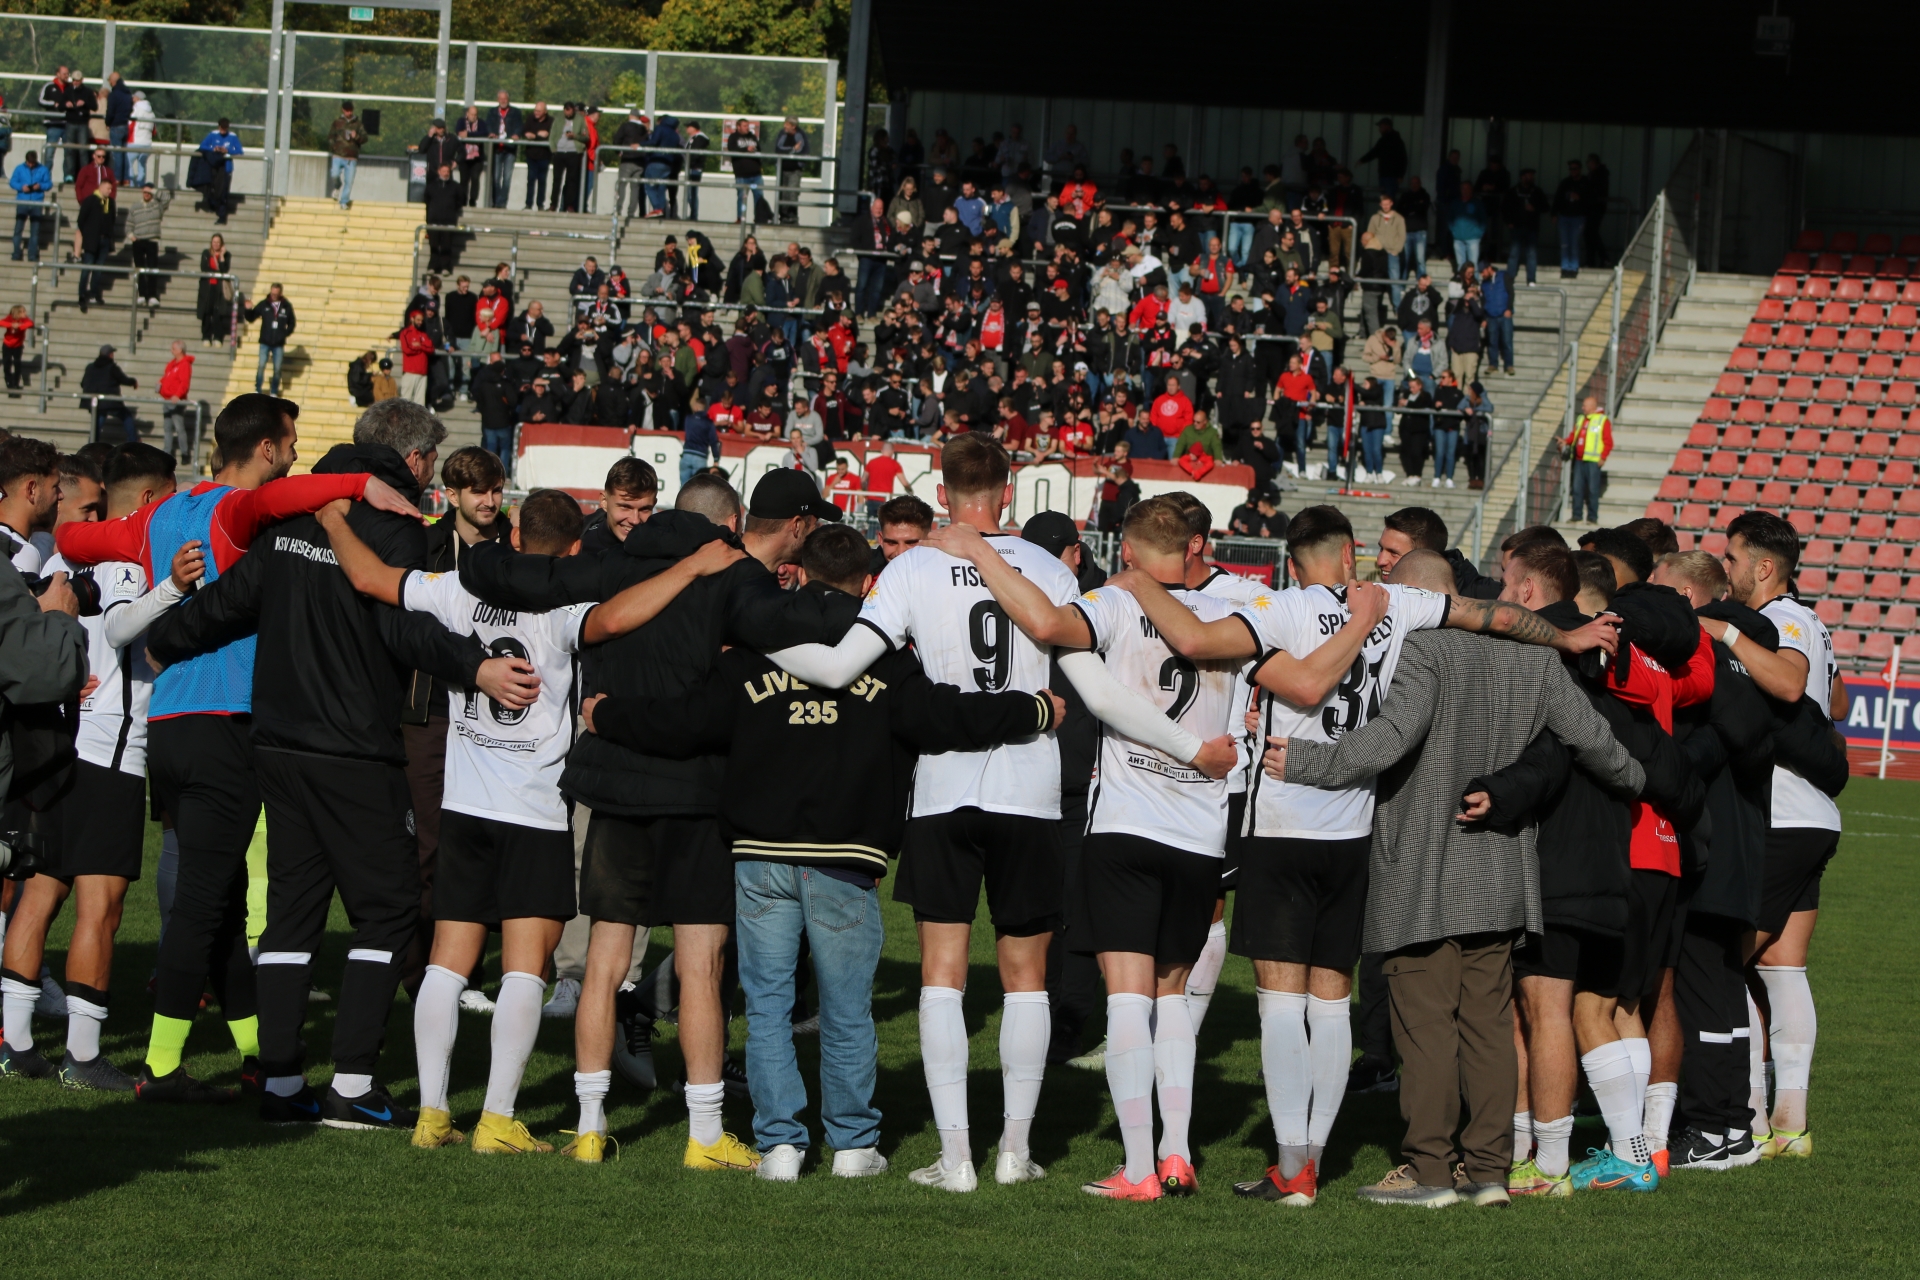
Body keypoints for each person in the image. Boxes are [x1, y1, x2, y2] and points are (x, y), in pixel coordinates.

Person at [768, 436, 1231, 1193]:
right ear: (1007, 493)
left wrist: (756, 641)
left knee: (942, 976)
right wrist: (1191, 749)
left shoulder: (911, 567)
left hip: (944, 790)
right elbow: (1099, 690)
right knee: (1025, 977)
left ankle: (956, 1159)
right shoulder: (1049, 569)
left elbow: (840, 665)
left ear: (942, 494)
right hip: (1032, 792)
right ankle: (1015, 1151)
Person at [585, 521, 1062, 1180]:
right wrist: (1033, 711)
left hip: (760, 853)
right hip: (845, 856)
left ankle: (781, 1145)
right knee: (845, 1010)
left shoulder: (754, 648)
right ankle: (853, 1145)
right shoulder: (886, 657)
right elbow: (945, 716)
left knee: (768, 1008)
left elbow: (686, 721)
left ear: (799, 574)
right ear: (868, 584)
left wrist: (606, 714)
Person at [145, 400, 541, 1129]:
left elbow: (230, 600)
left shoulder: (295, 514)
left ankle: (282, 1082)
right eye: (429, 462)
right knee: (388, 910)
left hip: (278, 745)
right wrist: (476, 666)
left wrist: (166, 639)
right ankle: (353, 1083)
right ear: (414, 460)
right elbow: (403, 625)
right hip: (354, 747)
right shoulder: (395, 527)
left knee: (293, 915)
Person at [54, 395, 425, 1102]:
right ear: (266, 449)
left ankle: (257, 1054)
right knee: (204, 900)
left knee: (220, 899)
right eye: (290, 443)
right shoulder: (234, 511)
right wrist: (357, 484)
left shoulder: (162, 513)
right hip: (225, 719)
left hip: (169, 722)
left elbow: (74, 539)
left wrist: (63, 543)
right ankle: (161, 1069)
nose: (296, 455)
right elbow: (281, 499)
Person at [1262, 548, 1639, 1208]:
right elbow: (1592, 738)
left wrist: (1305, 762)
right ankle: (1488, 1170)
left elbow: (1390, 739)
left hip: (1422, 870)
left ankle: (1430, 1169)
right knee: (1489, 1025)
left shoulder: (1425, 649)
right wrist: (1636, 779)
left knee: (1426, 1025)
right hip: (1500, 870)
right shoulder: (1536, 659)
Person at [927, 500, 1248, 1202]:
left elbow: (1044, 624)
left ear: (1127, 550)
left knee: (1128, 994)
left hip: (1128, 823)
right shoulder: (1237, 608)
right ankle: (1176, 1154)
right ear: (1195, 546)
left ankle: (1137, 1170)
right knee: (1173, 992)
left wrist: (978, 550)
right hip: (1201, 828)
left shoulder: (1114, 600)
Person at [0, 444, 189, 1089]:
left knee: (40, 891)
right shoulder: (125, 561)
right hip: (109, 747)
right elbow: (117, 630)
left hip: (54, 744)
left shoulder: (57, 560)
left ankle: (17, 1043)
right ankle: (82, 1055)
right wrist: (174, 589)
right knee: (101, 904)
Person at [1699, 512, 1840, 1166]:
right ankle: (1790, 1123)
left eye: (1731, 558)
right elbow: (1834, 703)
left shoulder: (1784, 619)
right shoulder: (1809, 622)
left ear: (1762, 566)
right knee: (1782, 967)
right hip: (1810, 816)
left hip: (1781, 815)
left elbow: (1787, 682)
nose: (1724, 568)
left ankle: (1747, 1117)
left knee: (1724, 963)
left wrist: (1725, 632)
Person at [1564, 395, 1612, 524]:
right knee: (1577, 488)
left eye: (1585, 405)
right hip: (1579, 460)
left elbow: (1608, 442)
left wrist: (1603, 457)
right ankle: (1576, 515)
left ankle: (1592, 517)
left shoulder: (1602, 420)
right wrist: (1565, 441)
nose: (1582, 408)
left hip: (1593, 461)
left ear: (1592, 407)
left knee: (1592, 489)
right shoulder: (1581, 419)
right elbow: (1574, 435)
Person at [126, 181, 173, 305]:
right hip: (138, 241)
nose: (146, 194)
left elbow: (167, 197)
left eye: (149, 192)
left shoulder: (158, 206)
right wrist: (131, 236)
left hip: (152, 241)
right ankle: (141, 294)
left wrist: (153, 190)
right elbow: (129, 224)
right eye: (144, 192)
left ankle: (152, 295)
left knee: (152, 268)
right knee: (139, 268)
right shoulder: (135, 206)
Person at [246, 283, 296, 397]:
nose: (273, 296)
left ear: (280, 293)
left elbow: (292, 323)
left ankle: (274, 391)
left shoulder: (286, 306)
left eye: (276, 294)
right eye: (272, 293)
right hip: (265, 342)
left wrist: (284, 334)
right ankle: (258, 389)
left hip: (278, 344)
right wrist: (248, 310)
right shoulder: (264, 304)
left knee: (277, 368)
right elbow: (251, 317)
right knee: (261, 365)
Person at [81, 345, 136, 443]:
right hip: (109, 402)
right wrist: (133, 382)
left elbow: (83, 383)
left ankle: (91, 445)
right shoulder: (112, 367)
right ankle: (133, 441)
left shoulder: (90, 367)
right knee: (126, 416)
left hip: (95, 402)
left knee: (98, 422)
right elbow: (123, 379)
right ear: (110, 355)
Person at [198, 118, 243, 225]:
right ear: (219, 127)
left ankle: (222, 216)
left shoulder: (232, 136)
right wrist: (214, 149)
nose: (223, 131)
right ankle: (213, 205)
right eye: (222, 128)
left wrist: (227, 150)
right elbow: (202, 146)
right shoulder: (212, 135)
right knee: (212, 189)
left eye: (225, 128)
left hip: (226, 168)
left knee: (223, 192)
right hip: (214, 167)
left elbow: (240, 150)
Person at [10, 150, 51, 261]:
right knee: (18, 229)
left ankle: (32, 255)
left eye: (33, 163)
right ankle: (16, 253)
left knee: (35, 231)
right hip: (22, 202)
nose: (31, 165)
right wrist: (21, 187)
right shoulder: (19, 168)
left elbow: (48, 184)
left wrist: (40, 186)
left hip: (36, 203)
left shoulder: (43, 169)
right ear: (26, 161)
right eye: (29, 163)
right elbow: (12, 182)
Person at [158, 340, 195, 461]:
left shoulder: (184, 365)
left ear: (180, 350)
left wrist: (178, 395)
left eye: (173, 349)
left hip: (176, 401)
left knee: (179, 427)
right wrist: (160, 384)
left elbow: (184, 383)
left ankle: (184, 453)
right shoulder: (172, 364)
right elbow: (166, 377)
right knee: (167, 428)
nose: (171, 351)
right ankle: (167, 451)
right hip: (167, 399)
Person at [327, 101, 367, 209]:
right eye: (347, 111)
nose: (349, 113)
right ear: (343, 110)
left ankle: (344, 201)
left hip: (351, 158)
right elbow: (330, 136)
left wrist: (356, 136)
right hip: (338, 155)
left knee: (349, 181)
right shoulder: (337, 122)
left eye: (350, 111)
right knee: (334, 174)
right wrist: (334, 147)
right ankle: (337, 185)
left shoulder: (358, 124)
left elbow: (365, 138)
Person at [487, 91, 523, 209]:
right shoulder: (492, 112)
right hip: (496, 148)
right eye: (501, 99)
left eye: (505, 98)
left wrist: (516, 134)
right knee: (495, 177)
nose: (503, 101)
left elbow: (519, 126)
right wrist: (491, 133)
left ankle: (502, 203)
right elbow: (489, 125)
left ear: (508, 99)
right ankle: (496, 202)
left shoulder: (515, 112)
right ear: (498, 100)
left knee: (507, 178)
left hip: (509, 149)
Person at [1553, 159, 1587, 278]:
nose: (1573, 171)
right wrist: (1554, 214)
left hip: (1578, 217)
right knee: (1564, 244)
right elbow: (1557, 198)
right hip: (1564, 216)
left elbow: (1591, 200)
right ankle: (1565, 267)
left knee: (1574, 243)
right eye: (1571, 169)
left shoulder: (1585, 183)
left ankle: (1573, 268)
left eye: (1575, 169)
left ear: (1580, 169)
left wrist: (1580, 198)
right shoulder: (1565, 183)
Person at [198, 233, 232, 346]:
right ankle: (206, 336)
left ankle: (218, 337)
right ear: (211, 243)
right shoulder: (206, 253)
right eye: (214, 242)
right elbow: (204, 268)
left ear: (222, 244)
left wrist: (222, 256)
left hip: (219, 288)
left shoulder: (227, 255)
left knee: (218, 312)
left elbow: (224, 269)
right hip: (207, 287)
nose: (216, 244)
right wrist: (218, 272)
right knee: (207, 312)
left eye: (218, 242)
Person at [774, 117, 808, 225]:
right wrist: (792, 149)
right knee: (783, 194)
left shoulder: (800, 135)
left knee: (792, 193)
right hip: (782, 168)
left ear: (793, 126)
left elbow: (802, 150)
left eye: (787, 125)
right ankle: (783, 217)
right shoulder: (782, 134)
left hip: (795, 170)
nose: (784, 126)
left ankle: (793, 218)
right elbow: (778, 149)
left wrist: (790, 151)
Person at [1, 303, 32, 392]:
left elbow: (30, 323)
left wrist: (20, 326)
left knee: (17, 364)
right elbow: (1, 322)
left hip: (18, 346)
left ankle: (16, 383)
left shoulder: (24, 319)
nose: (25, 313)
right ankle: (9, 383)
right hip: (7, 345)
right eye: (22, 312)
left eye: (24, 311)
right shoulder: (9, 318)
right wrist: (11, 325)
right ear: (17, 313)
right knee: (7, 364)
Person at [128, 90, 155, 187]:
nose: (132, 99)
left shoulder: (136, 110)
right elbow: (154, 131)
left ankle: (131, 184)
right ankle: (141, 185)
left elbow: (130, 125)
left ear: (137, 98)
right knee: (142, 164)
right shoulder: (151, 113)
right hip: (147, 143)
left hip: (135, 141)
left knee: (128, 163)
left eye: (134, 97)